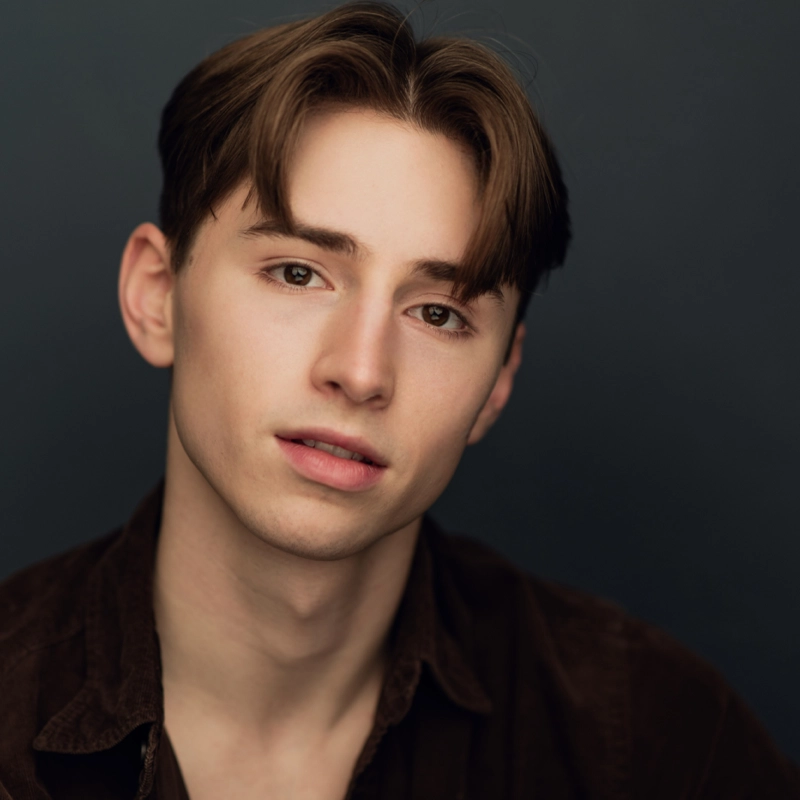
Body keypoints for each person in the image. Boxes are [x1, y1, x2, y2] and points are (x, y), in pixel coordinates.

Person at [0, 2, 797, 798]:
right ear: (156, 297)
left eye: (438, 314)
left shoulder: (660, 742)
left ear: (498, 383)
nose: (360, 370)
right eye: (298, 273)